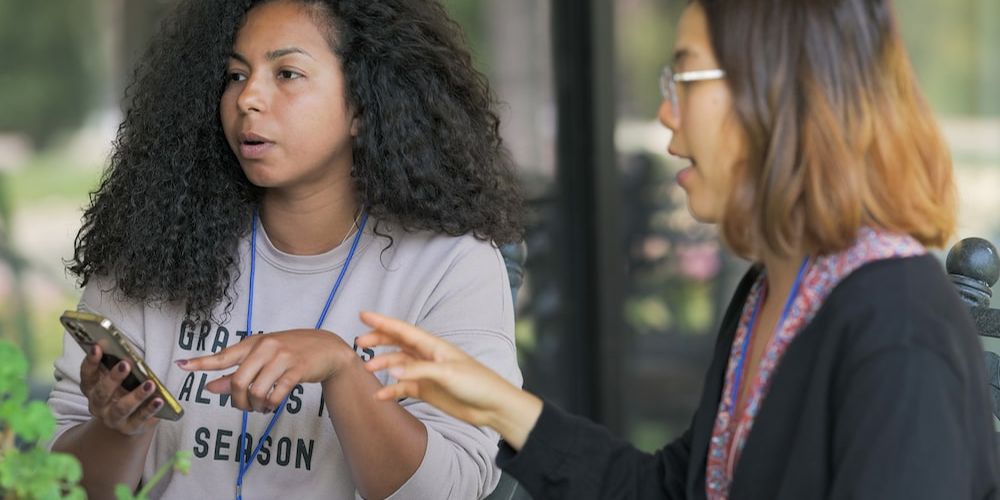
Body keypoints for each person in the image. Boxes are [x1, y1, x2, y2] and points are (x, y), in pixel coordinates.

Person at [356, 0, 1000, 498]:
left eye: (686, 78)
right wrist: (493, 400)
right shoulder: (771, 289)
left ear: (777, 91)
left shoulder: (899, 324)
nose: (667, 113)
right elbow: (671, 491)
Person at [47, 1, 524, 499]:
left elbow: (454, 487)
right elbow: (58, 486)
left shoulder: (449, 265)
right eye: (235, 75)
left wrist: (342, 368)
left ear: (364, 104)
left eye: (287, 73)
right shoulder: (157, 243)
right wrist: (120, 426)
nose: (248, 98)